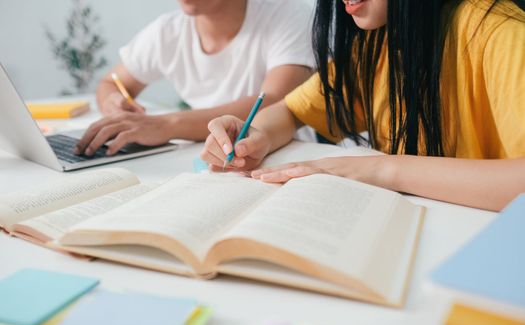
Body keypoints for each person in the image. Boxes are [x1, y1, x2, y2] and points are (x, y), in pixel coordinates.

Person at [201, 0, 525, 212]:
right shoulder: (380, 42)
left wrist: (383, 169)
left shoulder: (503, 34)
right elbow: (291, 111)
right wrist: (257, 135)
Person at [74, 0, 314, 156]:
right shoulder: (168, 30)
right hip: (210, 157)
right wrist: (114, 104)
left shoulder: (288, 14)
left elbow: (276, 101)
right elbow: (111, 83)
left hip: (286, 153)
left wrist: (166, 125)